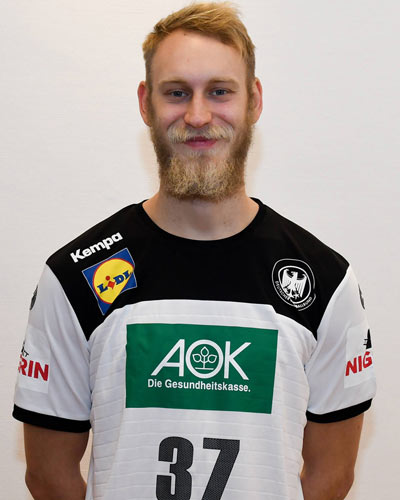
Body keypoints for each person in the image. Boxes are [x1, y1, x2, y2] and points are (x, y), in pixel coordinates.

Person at [13, 3, 376, 499]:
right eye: (177, 92)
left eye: (220, 91)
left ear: (253, 100)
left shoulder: (326, 283)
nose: (199, 116)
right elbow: (47, 476)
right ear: (146, 103)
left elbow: (330, 477)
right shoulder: (76, 278)